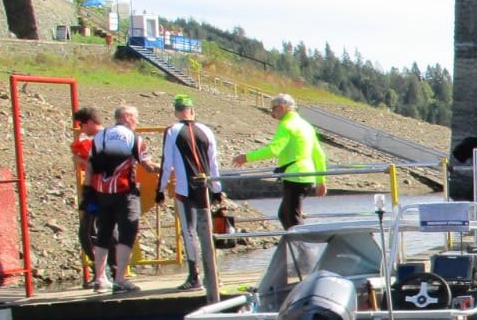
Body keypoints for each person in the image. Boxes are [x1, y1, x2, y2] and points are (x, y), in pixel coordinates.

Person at [157, 94, 224, 291]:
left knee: (189, 232)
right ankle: (213, 276)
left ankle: (194, 277)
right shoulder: (206, 130)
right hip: (205, 186)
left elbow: (166, 163)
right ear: (193, 111)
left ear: (176, 112)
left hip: (185, 189)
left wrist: (160, 190)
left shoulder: (172, 130)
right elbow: (214, 162)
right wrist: (217, 190)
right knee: (207, 231)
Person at [233, 93, 326, 230]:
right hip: (306, 175)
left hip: (295, 176)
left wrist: (246, 157)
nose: (272, 113)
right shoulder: (306, 126)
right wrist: (320, 180)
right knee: (285, 214)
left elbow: (273, 150)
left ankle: (303, 243)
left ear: (282, 107)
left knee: (290, 217)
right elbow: (319, 155)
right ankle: (297, 241)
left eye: (273, 109)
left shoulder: (287, 125)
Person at [88, 104, 155, 293]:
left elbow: (90, 164)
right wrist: (170, 170)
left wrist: (88, 190)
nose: (137, 121)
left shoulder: (100, 136)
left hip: (101, 192)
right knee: (127, 233)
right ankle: (120, 279)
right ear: (126, 117)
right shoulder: (133, 138)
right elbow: (148, 166)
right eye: (135, 117)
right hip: (125, 192)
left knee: (104, 233)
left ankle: (100, 279)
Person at [70, 108, 99, 267]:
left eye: (81, 125)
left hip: (98, 190)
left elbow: (100, 166)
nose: (81, 129)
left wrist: (81, 160)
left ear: (89, 122)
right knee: (91, 232)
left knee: (88, 232)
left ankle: (106, 269)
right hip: (95, 190)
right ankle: (105, 269)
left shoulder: (102, 139)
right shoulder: (102, 139)